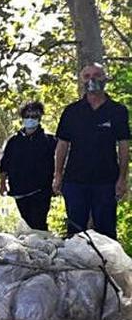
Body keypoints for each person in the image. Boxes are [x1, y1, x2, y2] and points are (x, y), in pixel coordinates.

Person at [54, 63, 129, 239]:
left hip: (106, 181)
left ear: (104, 78)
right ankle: (76, 266)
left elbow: (124, 145)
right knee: (75, 232)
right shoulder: (72, 112)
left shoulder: (117, 111)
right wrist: (58, 174)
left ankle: (108, 266)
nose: (92, 80)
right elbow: (62, 145)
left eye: (96, 75)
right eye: (87, 76)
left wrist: (122, 178)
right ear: (81, 81)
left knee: (106, 231)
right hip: (75, 181)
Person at [0, 101, 57, 231]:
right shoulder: (14, 141)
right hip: (19, 191)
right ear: (22, 117)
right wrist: (2, 183)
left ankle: (42, 246)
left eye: (34, 116)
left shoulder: (49, 141)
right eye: (27, 115)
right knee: (27, 223)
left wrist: (57, 182)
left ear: (40, 118)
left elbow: (58, 163)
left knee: (38, 222)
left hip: (41, 191)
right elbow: (5, 164)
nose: (30, 119)